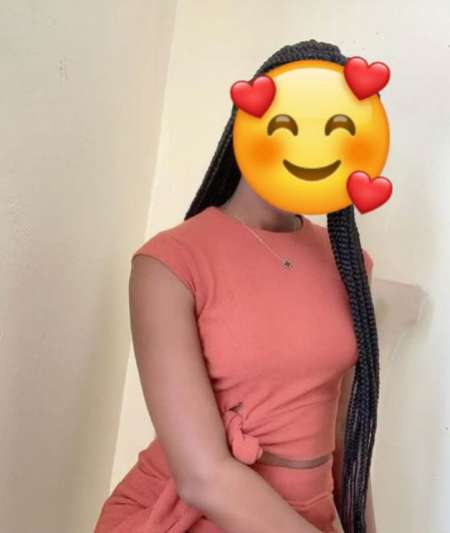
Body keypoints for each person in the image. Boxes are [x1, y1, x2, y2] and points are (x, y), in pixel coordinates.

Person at [93, 39, 379, 533]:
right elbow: (203, 477)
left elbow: (346, 436)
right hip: (187, 516)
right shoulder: (168, 263)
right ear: (249, 121)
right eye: (292, 123)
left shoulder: (352, 265)